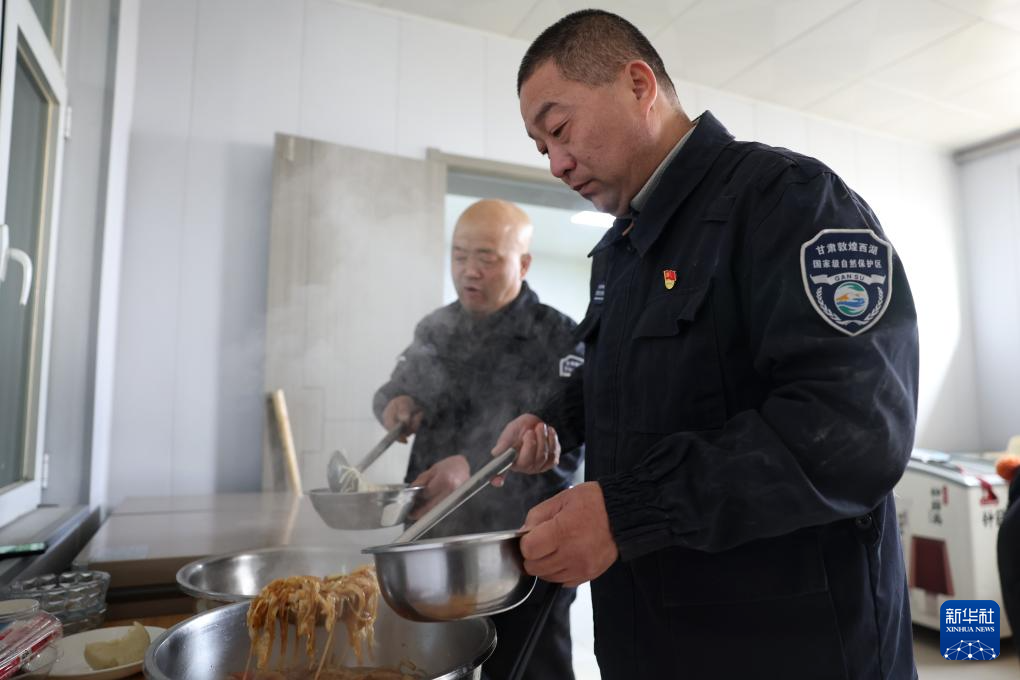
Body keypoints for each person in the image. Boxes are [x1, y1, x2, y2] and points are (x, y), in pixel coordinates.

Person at [490, 10, 921, 679]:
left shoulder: (788, 201)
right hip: (654, 641)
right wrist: (552, 420)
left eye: (559, 129)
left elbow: (856, 429)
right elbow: (622, 378)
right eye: (541, 148)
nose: (557, 164)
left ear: (638, 85)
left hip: (787, 648)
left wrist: (628, 512)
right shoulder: (622, 251)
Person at [373, 198, 582, 680]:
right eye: (459, 255)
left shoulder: (559, 337)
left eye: (486, 257)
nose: (469, 270)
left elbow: (562, 450)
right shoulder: (436, 328)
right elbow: (397, 387)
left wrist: (471, 467)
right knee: (430, 666)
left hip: (520, 556)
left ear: (523, 264)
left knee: (529, 670)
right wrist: (395, 405)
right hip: (432, 545)